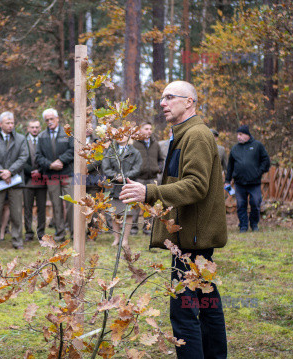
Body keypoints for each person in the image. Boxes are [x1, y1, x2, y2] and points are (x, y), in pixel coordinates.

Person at [120, 81, 228, 358]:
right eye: (162, 98)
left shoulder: (197, 135)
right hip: (189, 235)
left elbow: (195, 186)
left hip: (192, 238)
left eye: (170, 97)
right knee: (206, 303)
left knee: (184, 311)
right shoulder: (184, 134)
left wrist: (150, 192)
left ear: (189, 101)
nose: (162, 103)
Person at [0, 112, 28, 249]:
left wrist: (10, 172)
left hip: (15, 181)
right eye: (7, 123)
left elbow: (23, 157)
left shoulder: (21, 139)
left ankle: (17, 241)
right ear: (0, 124)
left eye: (12, 123)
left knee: (16, 213)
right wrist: (2, 173)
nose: (11, 126)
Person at [35, 108, 74, 241]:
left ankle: (75, 233)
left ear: (57, 118)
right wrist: (51, 164)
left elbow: (73, 150)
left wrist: (61, 160)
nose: (50, 122)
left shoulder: (67, 133)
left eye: (52, 119)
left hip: (67, 174)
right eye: (47, 120)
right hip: (51, 175)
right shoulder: (41, 136)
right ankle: (60, 233)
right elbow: (38, 156)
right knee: (56, 205)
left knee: (71, 204)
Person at [225, 125, 270, 233]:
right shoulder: (235, 149)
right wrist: (227, 180)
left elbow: (266, 160)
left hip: (254, 182)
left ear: (247, 135)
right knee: (241, 205)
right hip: (239, 183)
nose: (238, 137)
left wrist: (259, 172)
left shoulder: (257, 145)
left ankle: (254, 224)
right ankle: (243, 226)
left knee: (255, 203)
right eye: (237, 134)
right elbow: (230, 166)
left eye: (240, 134)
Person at [102, 135, 142, 247]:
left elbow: (137, 168)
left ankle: (125, 239)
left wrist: (124, 176)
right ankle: (116, 238)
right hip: (114, 186)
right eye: (118, 134)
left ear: (128, 136)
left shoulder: (135, 152)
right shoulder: (110, 151)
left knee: (128, 213)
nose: (120, 136)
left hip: (128, 185)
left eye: (123, 134)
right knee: (114, 214)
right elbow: (106, 167)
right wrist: (116, 176)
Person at [131, 122, 164, 235]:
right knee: (136, 204)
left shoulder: (155, 144)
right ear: (140, 130)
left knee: (150, 204)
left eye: (150, 129)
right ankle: (133, 229)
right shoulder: (135, 145)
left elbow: (161, 159)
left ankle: (148, 229)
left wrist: (159, 168)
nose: (149, 131)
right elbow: (130, 160)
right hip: (139, 178)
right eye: (146, 129)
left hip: (153, 178)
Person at [23, 120, 47, 242]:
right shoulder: (22, 141)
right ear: (28, 128)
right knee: (27, 208)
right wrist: (31, 172)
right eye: (32, 127)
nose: (34, 129)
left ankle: (41, 232)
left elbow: (48, 157)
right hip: (27, 180)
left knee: (41, 208)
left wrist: (40, 171)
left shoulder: (44, 140)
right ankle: (28, 232)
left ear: (40, 128)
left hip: (42, 179)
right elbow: (20, 158)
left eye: (37, 127)